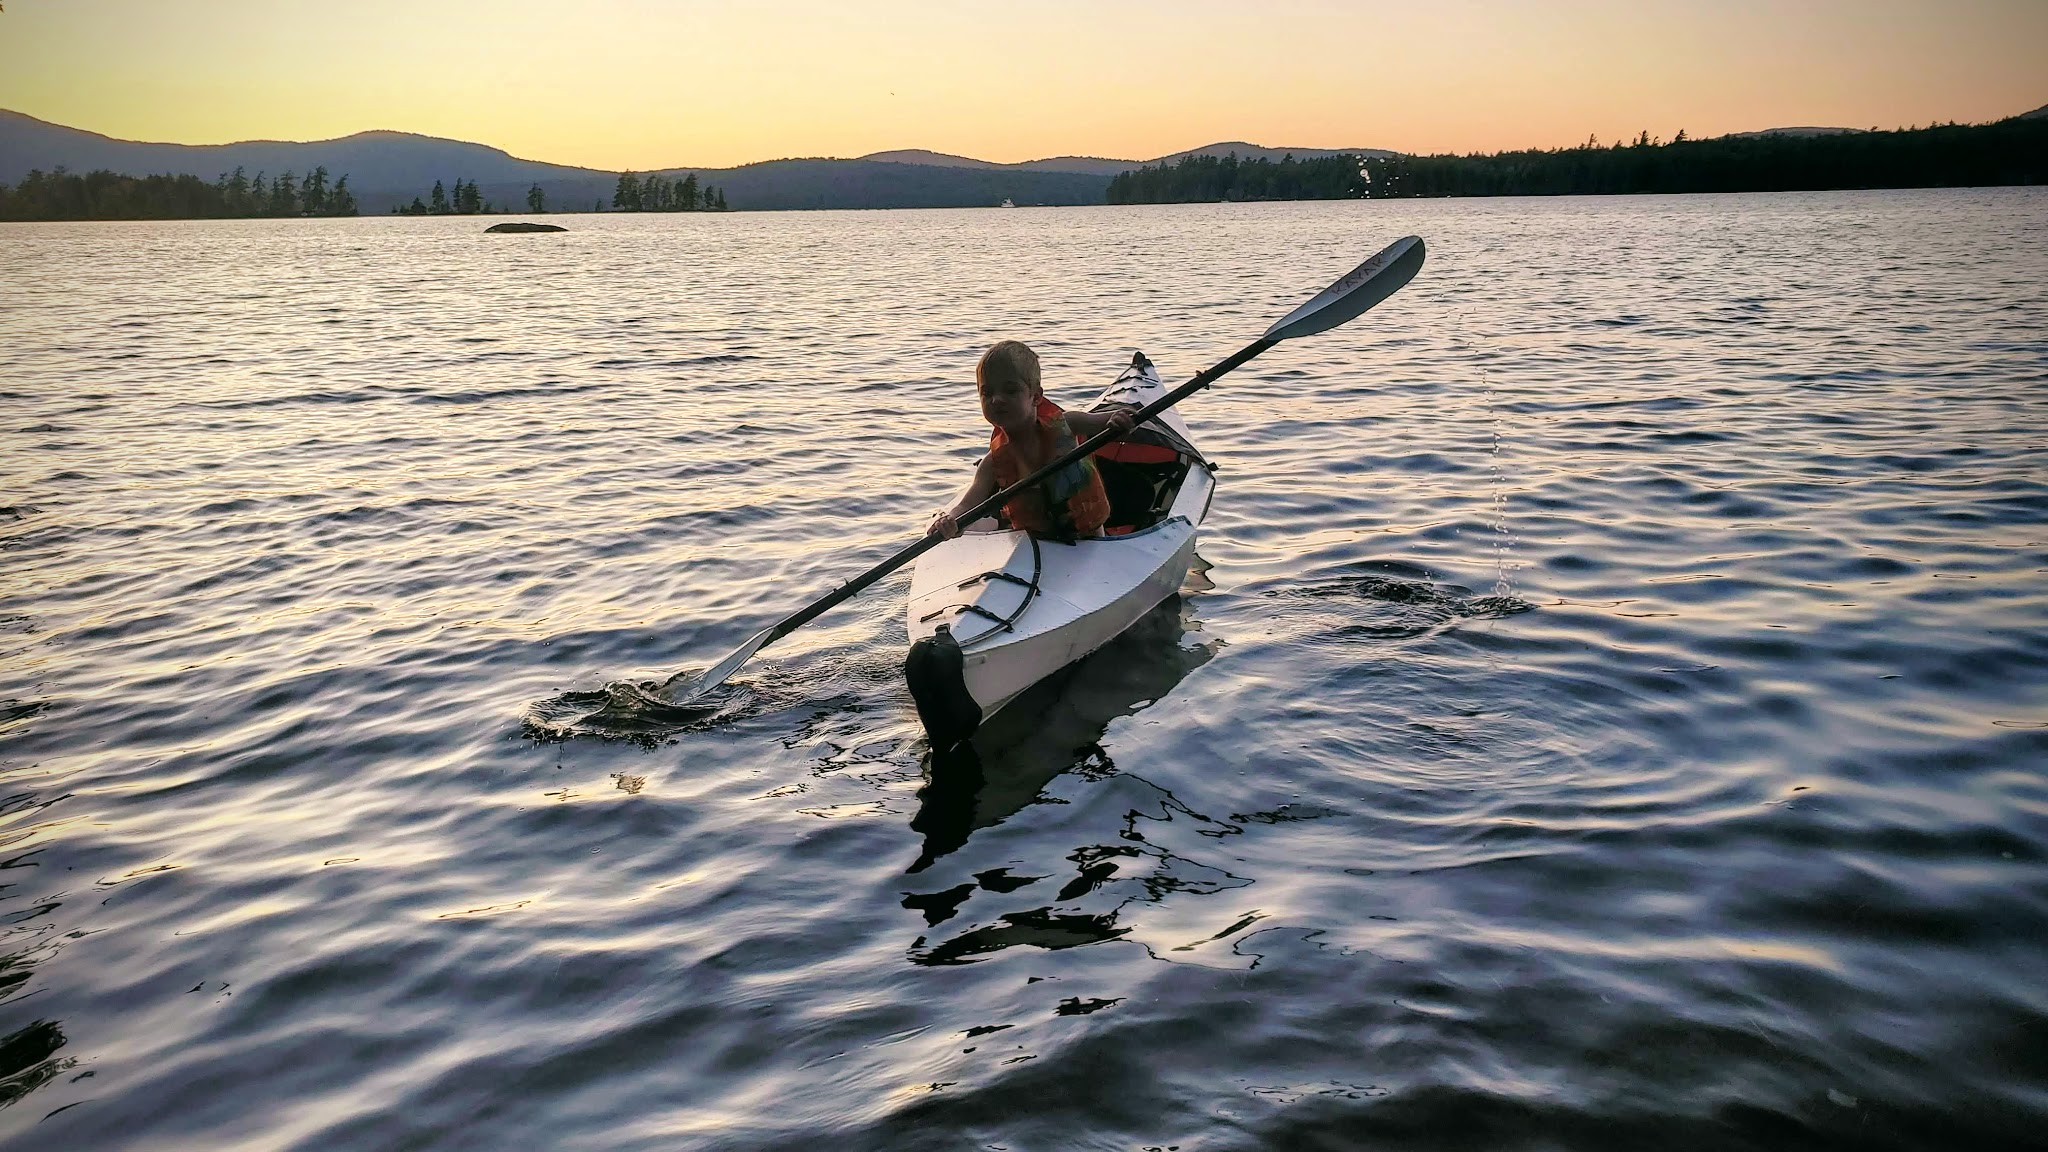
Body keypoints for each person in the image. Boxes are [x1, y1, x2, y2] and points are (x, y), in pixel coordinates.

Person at [928, 340, 1135, 541]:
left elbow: (1116, 417)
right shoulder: (992, 463)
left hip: (1090, 540)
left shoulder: (1067, 424)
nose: (996, 399)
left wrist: (1119, 420)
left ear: (1036, 397)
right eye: (987, 392)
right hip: (1038, 547)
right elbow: (966, 505)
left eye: (1010, 390)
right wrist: (950, 519)